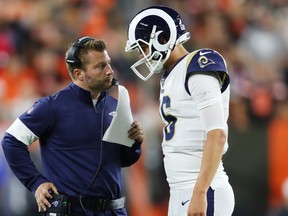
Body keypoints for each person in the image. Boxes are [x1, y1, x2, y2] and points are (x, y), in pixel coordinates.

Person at [1, 36, 144, 216]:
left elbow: (122, 160)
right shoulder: (52, 106)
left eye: (108, 63)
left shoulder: (115, 105)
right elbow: (11, 140)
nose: (110, 71)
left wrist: (135, 143)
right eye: (100, 66)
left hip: (113, 210)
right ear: (79, 74)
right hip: (73, 210)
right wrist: (35, 182)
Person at [125, 5, 234, 216]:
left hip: (202, 188)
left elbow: (217, 134)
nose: (141, 55)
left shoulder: (198, 64)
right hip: (181, 190)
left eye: (143, 47)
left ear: (162, 38)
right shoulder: (171, 74)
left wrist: (200, 191)